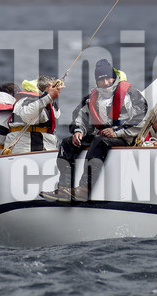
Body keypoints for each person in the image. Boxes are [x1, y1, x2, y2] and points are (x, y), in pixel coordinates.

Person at [55, 58, 148, 201]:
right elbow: (80, 117)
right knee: (67, 143)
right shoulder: (92, 98)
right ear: (96, 81)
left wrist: (116, 132)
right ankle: (64, 189)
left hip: (125, 137)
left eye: (108, 78)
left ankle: (84, 189)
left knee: (99, 141)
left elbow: (140, 119)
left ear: (114, 77)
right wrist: (79, 131)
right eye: (101, 80)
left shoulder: (131, 94)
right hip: (102, 136)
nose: (105, 82)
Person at [3, 76, 64, 155]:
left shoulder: (46, 103)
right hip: (26, 149)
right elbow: (27, 115)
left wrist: (49, 98)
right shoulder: (26, 100)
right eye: (51, 87)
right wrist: (48, 97)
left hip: (42, 148)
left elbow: (56, 115)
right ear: (40, 88)